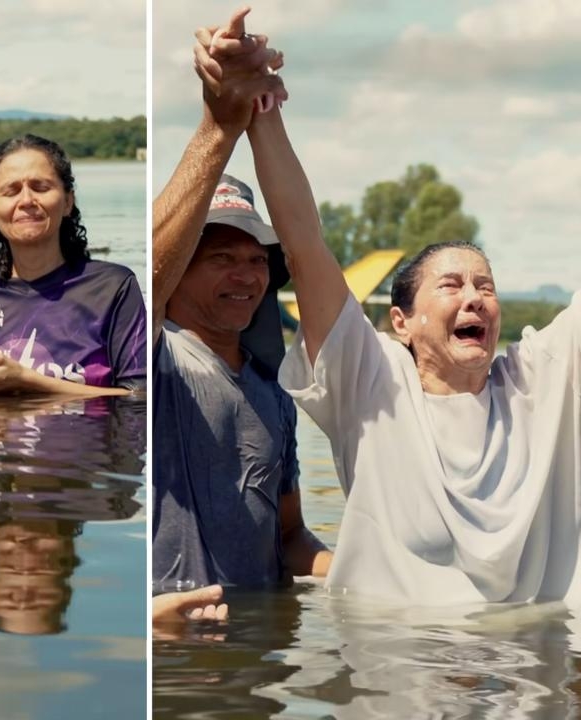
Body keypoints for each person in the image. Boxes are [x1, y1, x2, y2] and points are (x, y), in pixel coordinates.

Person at [200, 11, 581, 603]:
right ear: (403, 324)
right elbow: (303, 239)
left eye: (486, 286)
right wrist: (258, 108)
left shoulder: (534, 380)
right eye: (451, 285)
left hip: (526, 674)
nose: (474, 296)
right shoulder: (370, 384)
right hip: (397, 673)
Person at [152, 7, 330, 598]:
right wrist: (219, 123)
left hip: (256, 667)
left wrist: (368, 568)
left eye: (257, 259)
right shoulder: (155, 358)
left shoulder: (273, 391)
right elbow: (150, 273)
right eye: (221, 258)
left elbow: (291, 540)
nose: (247, 275)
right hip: (174, 658)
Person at [0, 134, 147, 397]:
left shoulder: (112, 287)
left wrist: (25, 380)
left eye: (41, 187)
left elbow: (139, 397)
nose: (27, 200)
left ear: (67, 201)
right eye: (11, 191)